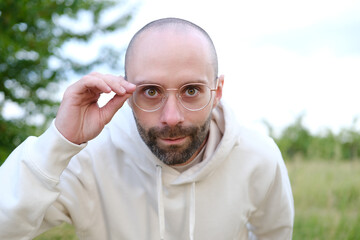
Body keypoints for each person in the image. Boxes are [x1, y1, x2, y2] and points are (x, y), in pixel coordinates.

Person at [0, 18, 294, 240]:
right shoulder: (87, 160)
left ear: (217, 92)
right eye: (151, 91)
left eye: (191, 90)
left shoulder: (259, 157)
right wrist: (60, 140)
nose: (171, 117)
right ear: (127, 93)